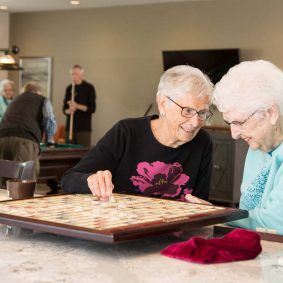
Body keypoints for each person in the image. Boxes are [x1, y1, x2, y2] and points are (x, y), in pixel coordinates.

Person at [62, 65, 214, 203]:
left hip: (175, 231)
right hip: (122, 228)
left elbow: (200, 201)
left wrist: (205, 210)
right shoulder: (127, 132)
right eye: (187, 111)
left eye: (202, 113)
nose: (195, 123)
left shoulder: (202, 142)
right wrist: (91, 180)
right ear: (162, 104)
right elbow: (69, 179)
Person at [213, 60, 283, 235]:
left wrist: (217, 215)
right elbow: (247, 212)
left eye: (239, 122)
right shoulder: (256, 147)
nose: (234, 134)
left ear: (270, 113)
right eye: (229, 123)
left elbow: (276, 223)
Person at [0, 81, 57, 178]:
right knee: (25, 182)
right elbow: (49, 121)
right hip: (25, 140)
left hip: (2, 139)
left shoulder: (15, 100)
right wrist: (50, 140)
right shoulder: (43, 100)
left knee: (4, 181)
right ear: (38, 92)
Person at [63, 64, 96, 147]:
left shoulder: (89, 87)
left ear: (82, 75)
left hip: (84, 129)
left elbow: (92, 109)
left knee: (83, 155)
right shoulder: (69, 88)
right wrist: (68, 111)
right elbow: (64, 109)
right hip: (70, 128)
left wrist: (77, 106)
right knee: (68, 154)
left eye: (77, 74)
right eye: (73, 74)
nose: (74, 76)